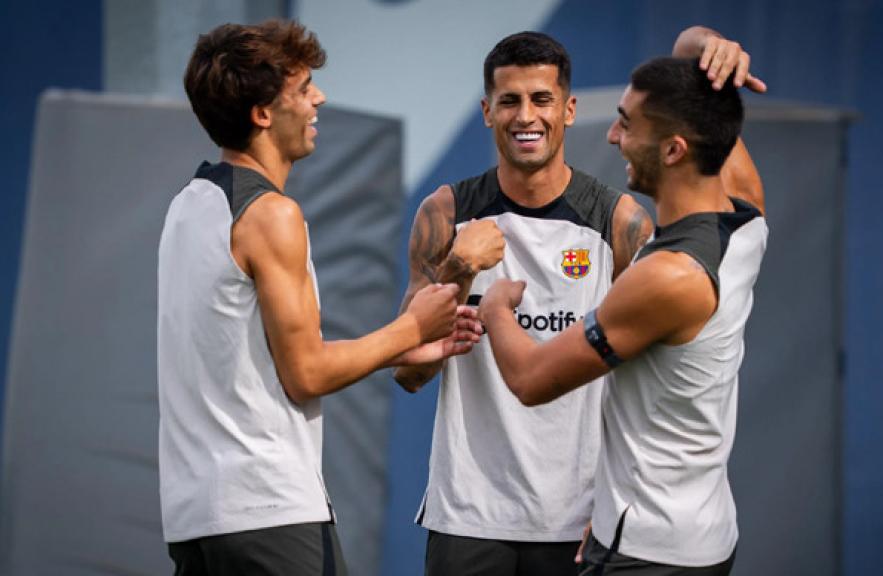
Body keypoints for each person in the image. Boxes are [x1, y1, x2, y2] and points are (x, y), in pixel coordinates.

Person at [393, 26, 762, 575]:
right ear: (486, 111)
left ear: (567, 110)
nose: (525, 117)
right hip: (469, 517)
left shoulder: (624, 223)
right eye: (509, 101)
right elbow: (406, 371)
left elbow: (544, 379)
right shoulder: (445, 213)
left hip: (581, 521)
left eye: (541, 100)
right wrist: (458, 269)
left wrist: (495, 309)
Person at [157, 20, 477, 575]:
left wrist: (395, 353)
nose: (319, 98)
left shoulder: (187, 205)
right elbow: (304, 373)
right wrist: (413, 328)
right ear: (262, 114)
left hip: (196, 524)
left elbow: (256, 361)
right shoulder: (272, 215)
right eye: (304, 89)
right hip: (269, 517)